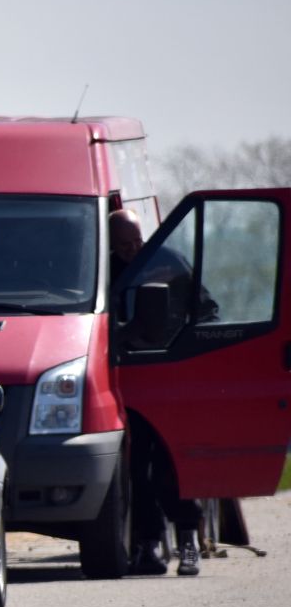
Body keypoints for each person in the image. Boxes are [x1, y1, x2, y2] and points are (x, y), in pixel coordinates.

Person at [108, 209, 202, 576]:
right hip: (128, 382)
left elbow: (206, 309)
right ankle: (147, 546)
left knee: (171, 465)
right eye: (124, 245)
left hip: (171, 377)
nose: (133, 250)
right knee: (136, 470)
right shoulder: (104, 271)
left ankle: (188, 540)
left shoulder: (169, 262)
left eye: (137, 241)